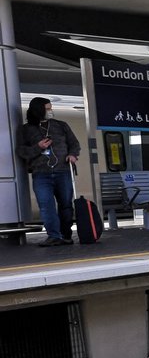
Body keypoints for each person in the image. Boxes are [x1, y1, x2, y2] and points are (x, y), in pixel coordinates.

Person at [17, 97, 80, 246]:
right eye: (47, 108)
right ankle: (53, 235)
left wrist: (72, 155)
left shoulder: (61, 126)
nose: (50, 111)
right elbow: (21, 151)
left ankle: (66, 234)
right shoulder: (25, 130)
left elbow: (74, 144)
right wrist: (38, 147)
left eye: (50, 108)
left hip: (63, 171)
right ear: (38, 110)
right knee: (46, 205)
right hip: (41, 173)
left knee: (65, 204)